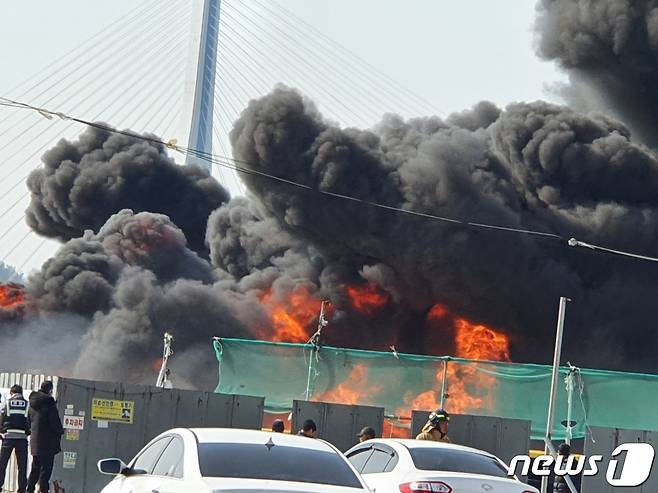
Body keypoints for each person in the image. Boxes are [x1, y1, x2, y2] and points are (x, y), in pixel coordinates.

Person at [27, 381, 63, 493]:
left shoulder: (32, 404)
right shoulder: (49, 403)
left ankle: (30, 489)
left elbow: (28, 421)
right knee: (46, 470)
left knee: (35, 468)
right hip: (48, 443)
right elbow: (54, 422)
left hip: (35, 442)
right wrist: (61, 431)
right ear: (50, 390)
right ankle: (43, 490)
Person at [0, 385, 30, 493]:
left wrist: (2, 431)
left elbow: (2, 418)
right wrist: (28, 432)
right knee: (22, 466)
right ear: (21, 393)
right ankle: (21, 489)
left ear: (11, 393)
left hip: (8, 437)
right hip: (22, 438)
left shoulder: (7, 403)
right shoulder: (27, 404)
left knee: (2, 464)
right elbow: (29, 421)